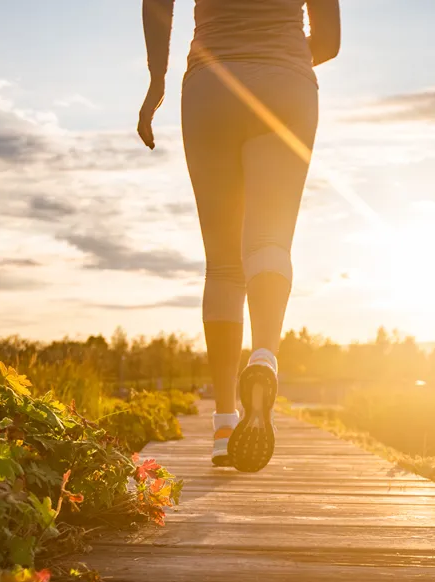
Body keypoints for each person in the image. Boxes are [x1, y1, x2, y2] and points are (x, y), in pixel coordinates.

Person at [138, 0, 341, 472]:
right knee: (270, 240)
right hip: (287, 84)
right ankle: (265, 356)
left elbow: (156, 4)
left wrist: (156, 83)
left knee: (224, 263)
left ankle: (226, 422)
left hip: (212, 85)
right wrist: (279, 58)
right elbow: (329, 41)